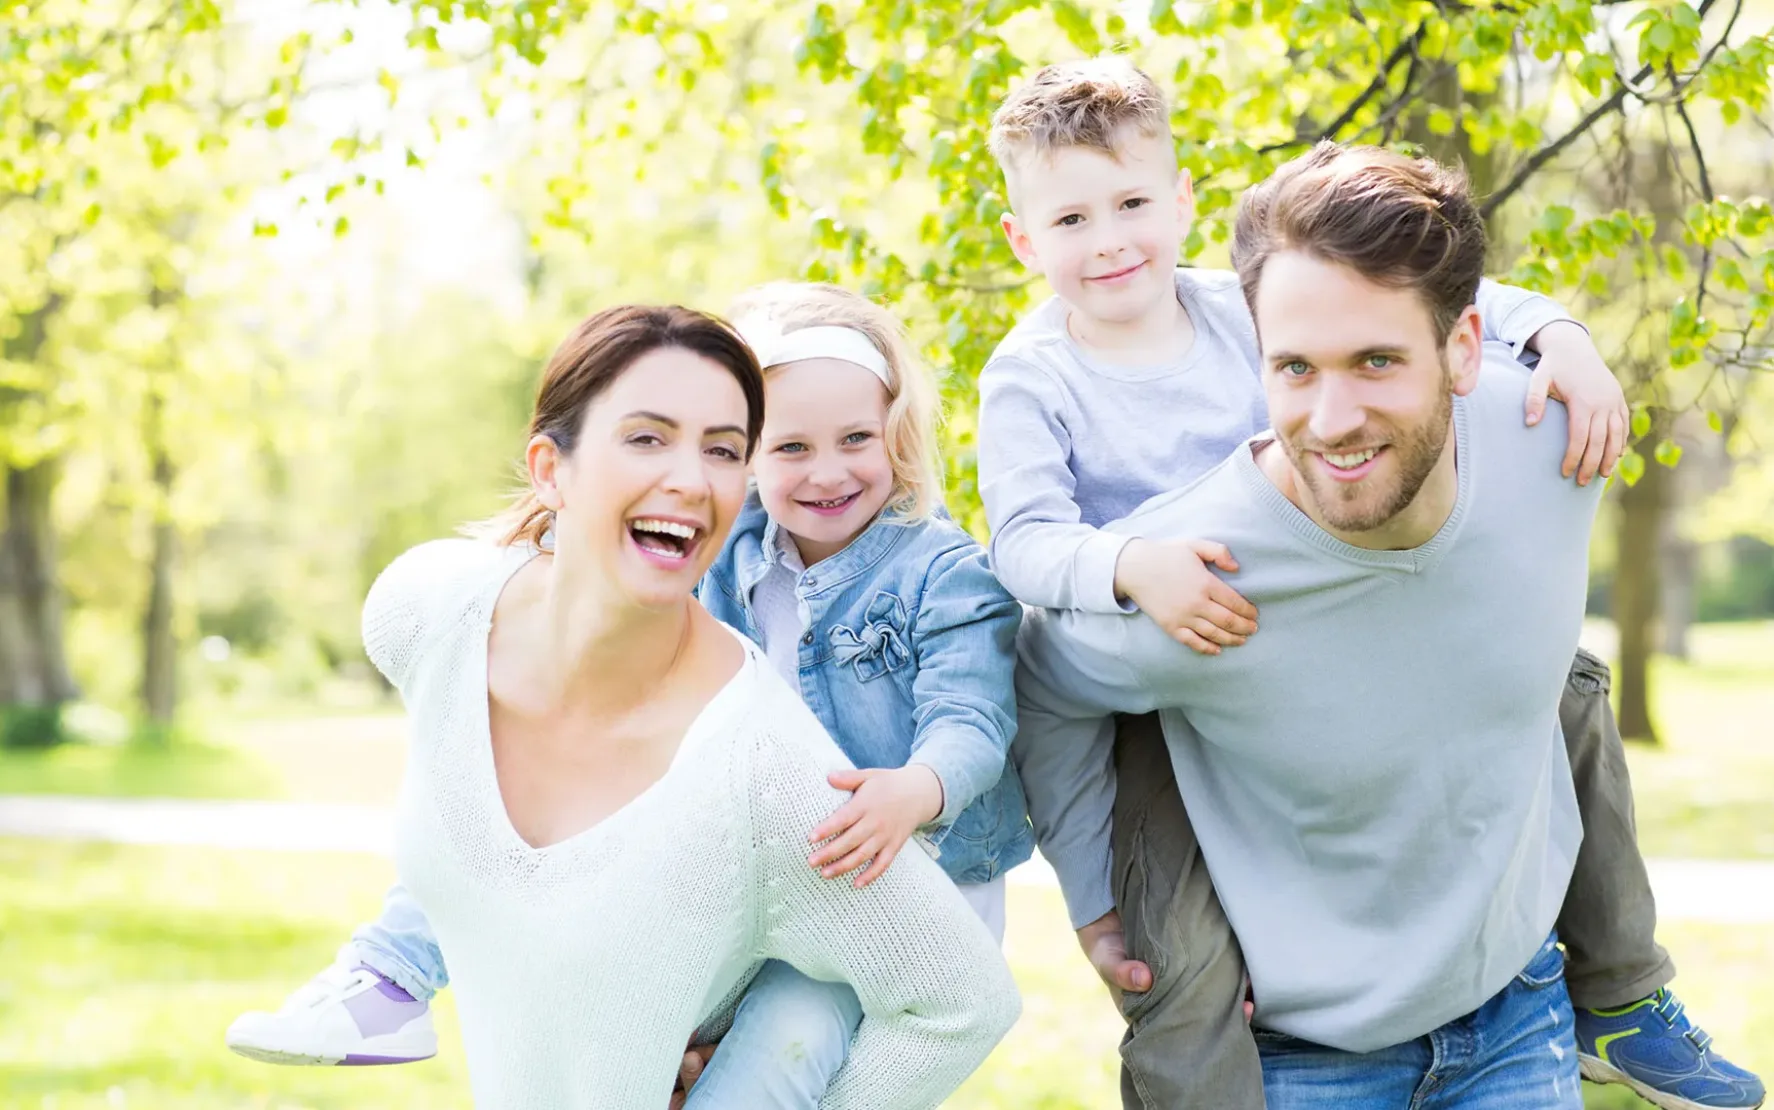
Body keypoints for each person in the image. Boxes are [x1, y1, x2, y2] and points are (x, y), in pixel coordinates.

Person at [982, 60, 1763, 1110]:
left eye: (1130, 204)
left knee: (1572, 692)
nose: (1110, 240)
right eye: (1071, 218)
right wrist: (1127, 568)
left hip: (1504, 998)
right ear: (1023, 242)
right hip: (1170, 636)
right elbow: (1025, 550)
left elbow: (1427, 292)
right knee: (1181, 966)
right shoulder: (1033, 377)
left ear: (1180, 205)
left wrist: (1561, 336)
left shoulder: (1244, 303)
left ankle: (1620, 995)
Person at [228, 291, 1033, 1109]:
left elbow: (972, 719)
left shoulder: (941, 574)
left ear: (895, 435)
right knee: (493, 830)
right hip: (769, 860)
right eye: (790, 447)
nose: (827, 471)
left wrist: (920, 787)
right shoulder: (738, 548)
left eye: (856, 440)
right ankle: (390, 973)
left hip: (897, 868)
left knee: (770, 1061)